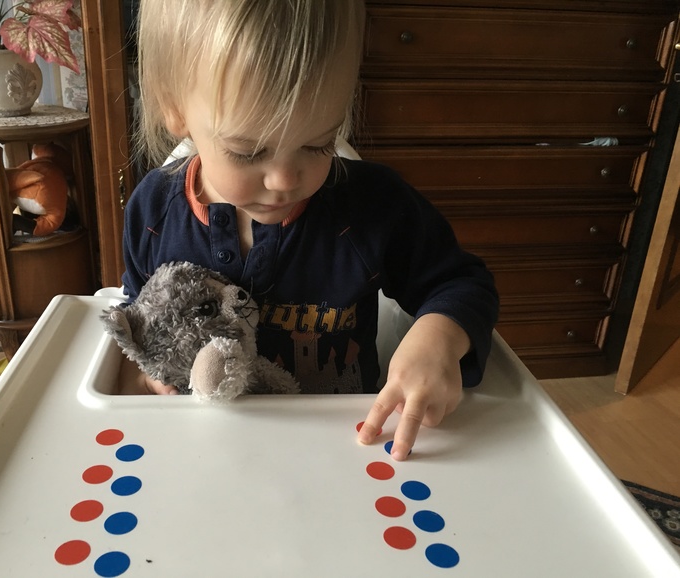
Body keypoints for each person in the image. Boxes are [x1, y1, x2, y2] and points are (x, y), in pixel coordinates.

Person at [118, 0, 499, 462]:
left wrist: (438, 338)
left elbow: (461, 283)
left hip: (347, 451)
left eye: (318, 144)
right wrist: (147, 376)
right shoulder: (152, 212)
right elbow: (139, 315)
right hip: (202, 451)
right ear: (173, 107)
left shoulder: (373, 206)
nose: (284, 181)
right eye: (247, 151)